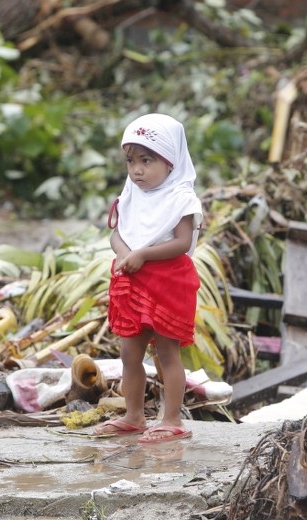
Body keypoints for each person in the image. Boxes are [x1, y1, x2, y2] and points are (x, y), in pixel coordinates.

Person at [93, 113, 203, 444]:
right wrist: (125, 253)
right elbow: (116, 233)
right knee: (129, 353)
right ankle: (134, 415)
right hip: (133, 279)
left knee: (166, 352)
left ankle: (172, 419)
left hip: (167, 281)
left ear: (170, 162)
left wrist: (141, 255)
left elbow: (182, 243)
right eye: (131, 161)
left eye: (146, 160)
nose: (136, 169)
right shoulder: (131, 193)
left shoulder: (181, 197)